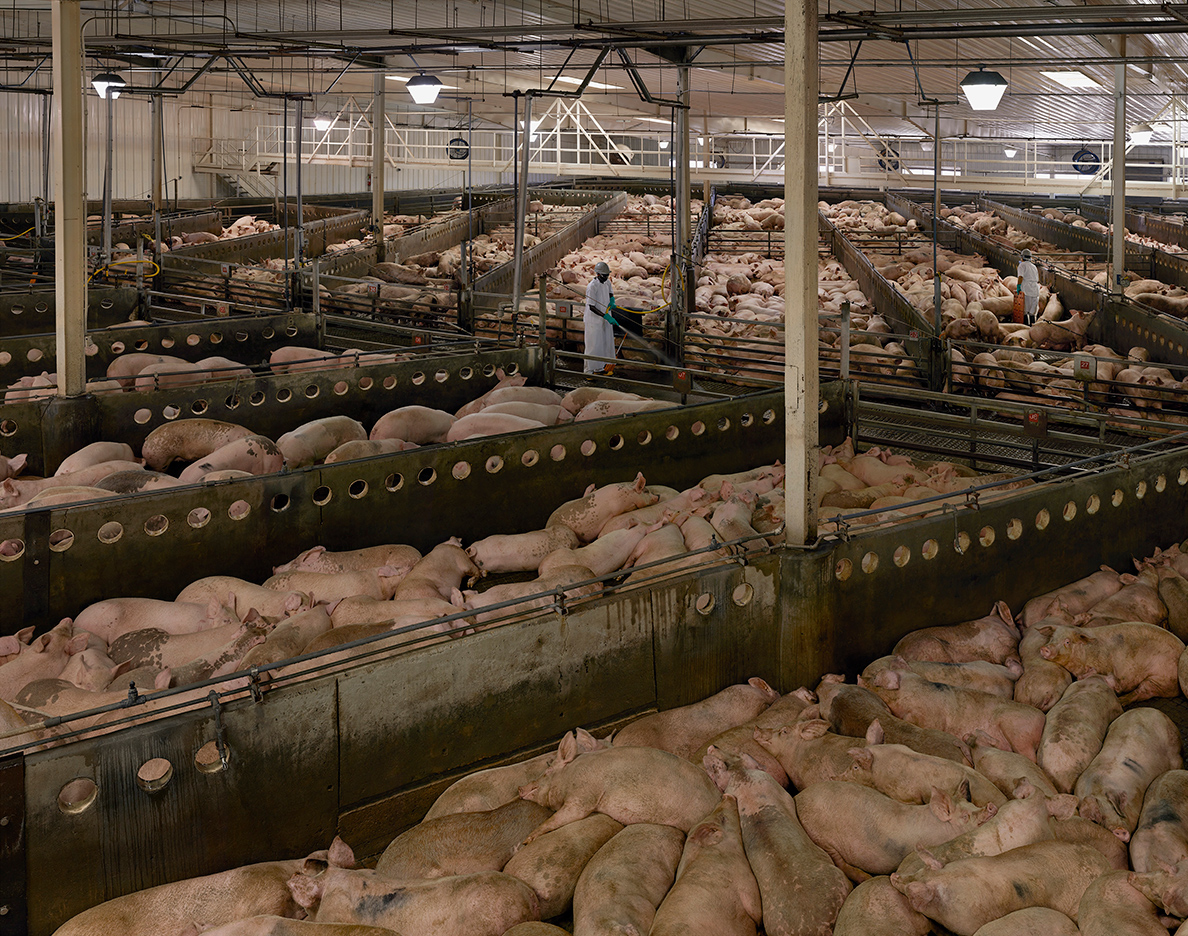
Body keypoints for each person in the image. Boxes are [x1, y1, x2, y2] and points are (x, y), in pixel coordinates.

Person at [584, 260, 616, 375]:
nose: (606, 277)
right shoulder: (592, 286)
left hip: (604, 316)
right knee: (593, 345)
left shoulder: (607, 282)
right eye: (604, 275)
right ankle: (589, 371)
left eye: (608, 275)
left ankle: (600, 368)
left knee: (603, 343)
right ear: (597, 274)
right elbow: (591, 306)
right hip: (594, 320)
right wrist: (606, 316)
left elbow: (610, 293)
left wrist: (612, 300)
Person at [1016, 248, 1039, 325]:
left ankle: (1026, 327)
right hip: (1035, 290)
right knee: (1032, 312)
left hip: (1027, 290)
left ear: (1022, 257)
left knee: (1025, 311)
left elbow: (1020, 277)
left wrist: (1018, 286)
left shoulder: (1021, 265)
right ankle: (1033, 326)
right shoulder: (1033, 266)